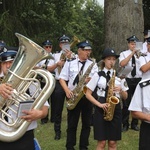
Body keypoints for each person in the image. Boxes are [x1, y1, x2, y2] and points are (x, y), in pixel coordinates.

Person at [0, 47, 49, 150]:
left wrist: (39, 114)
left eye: (12, 62)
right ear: (1, 65)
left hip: (25, 135)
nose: (8, 66)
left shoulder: (32, 83)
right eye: (5, 63)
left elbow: (45, 108)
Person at [85, 48, 128, 150]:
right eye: (109, 59)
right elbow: (88, 94)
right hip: (101, 108)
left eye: (113, 59)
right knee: (102, 142)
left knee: (113, 142)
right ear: (104, 60)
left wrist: (121, 91)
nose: (112, 61)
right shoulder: (97, 75)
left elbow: (126, 96)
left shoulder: (119, 76)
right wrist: (99, 105)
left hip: (115, 108)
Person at [59, 40, 98, 150]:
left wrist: (91, 79)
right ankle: (70, 146)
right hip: (73, 95)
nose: (88, 53)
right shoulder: (70, 62)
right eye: (86, 50)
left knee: (86, 123)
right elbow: (62, 78)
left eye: (89, 50)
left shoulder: (93, 64)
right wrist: (67, 91)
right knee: (72, 123)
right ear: (79, 50)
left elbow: (96, 79)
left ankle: (83, 146)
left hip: (86, 95)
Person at [51, 34, 72, 140]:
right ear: (60, 45)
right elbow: (50, 68)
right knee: (58, 109)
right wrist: (57, 64)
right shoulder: (55, 56)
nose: (65, 45)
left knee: (70, 108)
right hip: (59, 83)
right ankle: (57, 131)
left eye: (67, 43)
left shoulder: (74, 56)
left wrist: (69, 59)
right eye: (63, 43)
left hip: (70, 84)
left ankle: (70, 129)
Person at [119, 35, 142, 132]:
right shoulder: (124, 53)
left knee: (137, 102)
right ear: (129, 44)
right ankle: (125, 124)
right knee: (126, 103)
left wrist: (139, 55)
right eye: (132, 44)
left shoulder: (142, 54)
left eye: (135, 44)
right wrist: (132, 53)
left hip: (138, 79)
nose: (134, 46)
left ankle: (134, 123)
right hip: (128, 79)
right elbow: (122, 64)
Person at [37, 39, 56, 124]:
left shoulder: (54, 57)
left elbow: (54, 68)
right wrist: (47, 68)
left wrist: (44, 68)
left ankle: (53, 118)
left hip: (52, 79)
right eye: (46, 47)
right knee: (44, 99)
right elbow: (35, 67)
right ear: (43, 47)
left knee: (54, 99)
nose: (48, 48)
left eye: (50, 47)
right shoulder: (39, 57)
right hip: (42, 80)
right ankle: (44, 118)